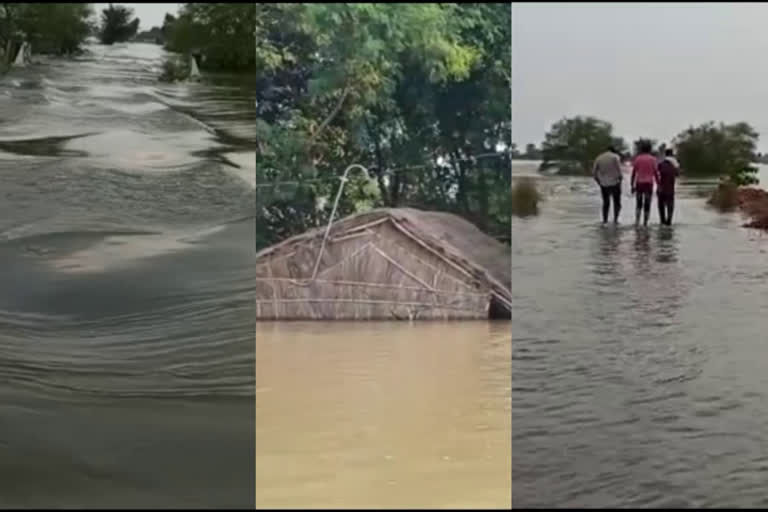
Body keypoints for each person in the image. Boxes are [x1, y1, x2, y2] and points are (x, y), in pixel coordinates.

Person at [592, 145, 623, 224]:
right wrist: (620, 179)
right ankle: (616, 220)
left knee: (606, 203)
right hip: (615, 183)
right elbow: (619, 170)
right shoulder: (615, 157)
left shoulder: (599, 157)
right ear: (613, 150)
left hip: (604, 184)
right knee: (617, 202)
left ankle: (605, 221)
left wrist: (599, 182)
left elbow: (594, 173)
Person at [631, 140, 658, 226]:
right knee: (647, 203)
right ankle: (645, 223)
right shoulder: (653, 159)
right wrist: (659, 184)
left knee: (638, 203)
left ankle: (637, 221)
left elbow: (634, 173)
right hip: (649, 184)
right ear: (650, 149)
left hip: (639, 183)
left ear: (642, 149)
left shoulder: (638, 159)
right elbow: (655, 173)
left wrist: (632, 185)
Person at [656, 148, 681, 225]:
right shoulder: (675, 164)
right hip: (670, 189)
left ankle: (662, 221)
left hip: (661, 188)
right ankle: (669, 222)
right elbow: (677, 174)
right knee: (670, 206)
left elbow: (657, 174)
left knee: (661, 207)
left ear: (665, 155)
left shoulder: (661, 164)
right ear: (672, 154)